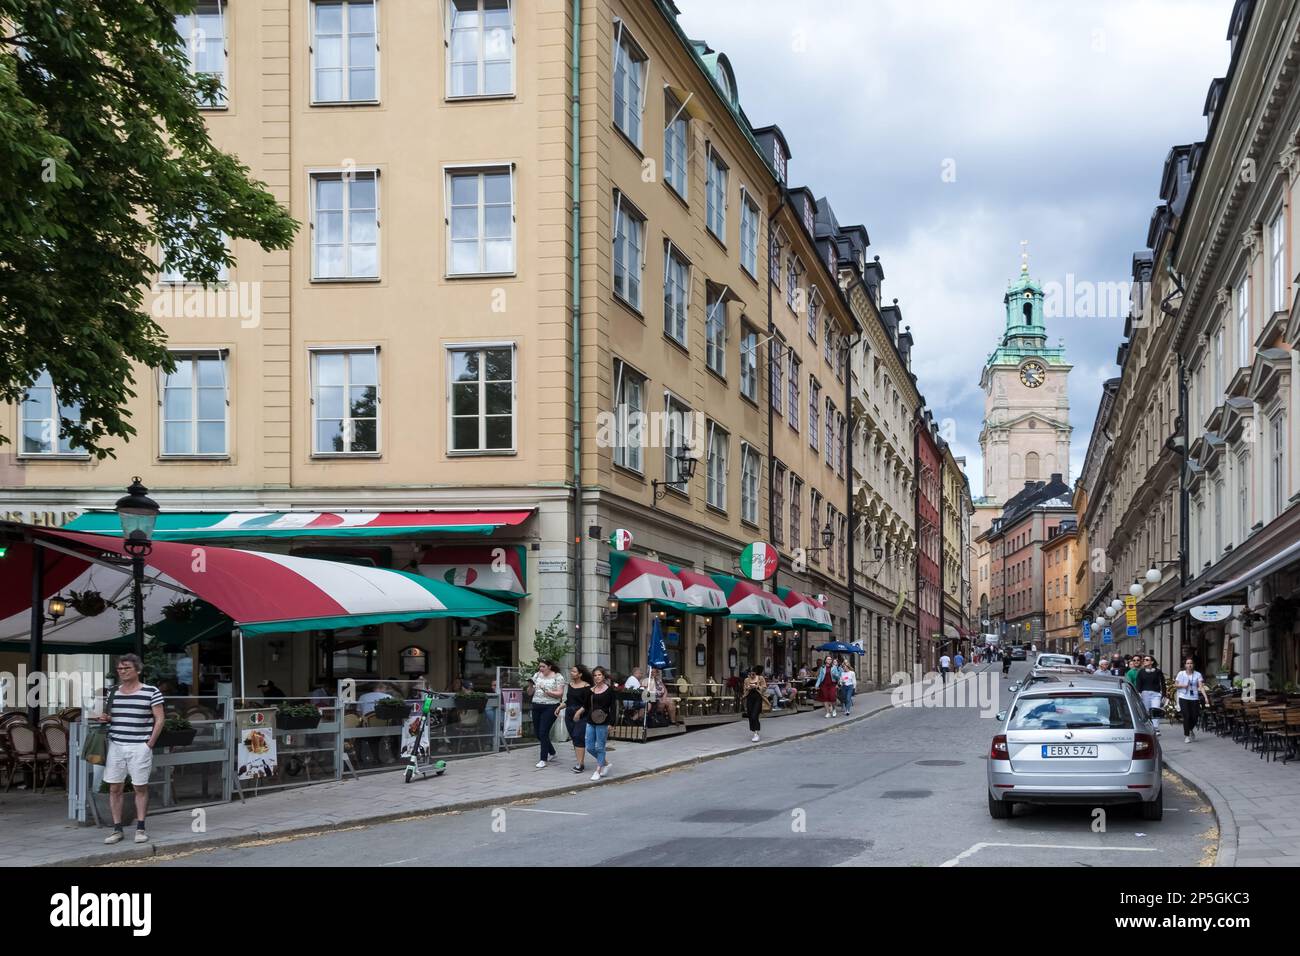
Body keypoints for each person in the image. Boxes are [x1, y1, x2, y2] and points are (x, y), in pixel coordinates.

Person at [97, 654, 164, 845]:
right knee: (114, 787)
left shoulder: (151, 691)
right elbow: (111, 716)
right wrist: (105, 718)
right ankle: (117, 829)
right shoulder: (113, 692)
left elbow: (159, 718)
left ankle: (141, 828)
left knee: (139, 787)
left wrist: (149, 743)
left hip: (139, 745)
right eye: (119, 668)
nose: (122, 671)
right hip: (116, 745)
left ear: (138, 670)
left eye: (126, 668)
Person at [530, 660, 566, 768]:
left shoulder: (558, 677)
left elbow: (560, 694)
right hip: (536, 705)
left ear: (549, 667)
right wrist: (530, 686)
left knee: (543, 731)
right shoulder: (536, 675)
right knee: (538, 733)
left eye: (543, 666)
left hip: (551, 706)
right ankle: (552, 752)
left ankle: (543, 759)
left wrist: (547, 691)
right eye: (540, 666)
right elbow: (530, 692)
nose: (540, 668)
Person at [583, 666, 616, 781]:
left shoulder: (609, 690)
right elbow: (586, 706)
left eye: (599, 675)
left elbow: (613, 707)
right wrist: (578, 714)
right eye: (595, 675)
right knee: (590, 747)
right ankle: (606, 763)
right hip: (590, 721)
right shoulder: (590, 690)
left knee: (600, 747)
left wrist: (611, 723)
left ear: (603, 676)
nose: (597, 677)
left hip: (603, 721)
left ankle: (598, 770)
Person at [560, 665, 592, 774]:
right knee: (574, 737)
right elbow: (569, 701)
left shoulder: (587, 686)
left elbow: (587, 704)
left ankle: (580, 764)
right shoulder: (570, 685)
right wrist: (560, 707)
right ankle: (579, 761)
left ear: (580, 674)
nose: (571, 673)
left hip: (582, 714)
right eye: (571, 671)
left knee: (578, 736)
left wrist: (578, 713)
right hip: (569, 714)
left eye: (574, 671)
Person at [1175, 657, 1210, 744]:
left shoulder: (1198, 674)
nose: (1189, 665)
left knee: (1195, 716)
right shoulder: (1181, 674)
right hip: (1183, 697)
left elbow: (1201, 687)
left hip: (1194, 697)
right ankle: (1187, 736)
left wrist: (1206, 697)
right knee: (1186, 716)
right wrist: (1183, 686)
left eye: (1191, 663)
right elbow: (1176, 685)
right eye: (1188, 663)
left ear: (1193, 665)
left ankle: (1190, 729)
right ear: (1185, 665)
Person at [1136, 656, 1165, 734]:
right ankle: (1148, 728)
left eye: (1147, 660)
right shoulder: (1141, 672)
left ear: (1152, 662)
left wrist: (1164, 695)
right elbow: (1138, 684)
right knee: (1146, 711)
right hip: (1145, 694)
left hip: (1156, 694)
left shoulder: (1158, 671)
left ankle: (1156, 728)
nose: (1144, 661)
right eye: (1144, 660)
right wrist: (1138, 693)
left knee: (1155, 710)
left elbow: (1162, 683)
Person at [743, 665, 768, 742]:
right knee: (750, 715)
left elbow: (764, 688)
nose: (751, 676)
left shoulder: (760, 678)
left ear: (756, 673)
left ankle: (756, 733)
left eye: (753, 674)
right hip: (750, 698)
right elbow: (744, 689)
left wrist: (757, 687)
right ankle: (754, 731)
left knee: (755, 715)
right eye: (750, 674)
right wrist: (748, 688)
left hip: (758, 698)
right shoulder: (747, 680)